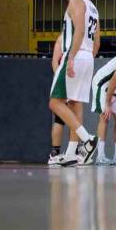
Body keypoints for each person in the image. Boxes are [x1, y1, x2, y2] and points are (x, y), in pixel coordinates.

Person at [48, 0, 100, 167]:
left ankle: (87, 139)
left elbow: (78, 30)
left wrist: (71, 58)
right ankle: (71, 153)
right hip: (87, 56)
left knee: (55, 103)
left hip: (75, 54)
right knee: (75, 104)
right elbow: (97, 40)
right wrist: (88, 59)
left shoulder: (76, 2)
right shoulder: (93, 8)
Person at [47, 35, 68, 165]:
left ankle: (73, 152)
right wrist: (59, 80)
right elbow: (55, 61)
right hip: (64, 80)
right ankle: (55, 153)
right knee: (59, 118)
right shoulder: (62, 38)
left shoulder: (81, 37)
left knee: (75, 115)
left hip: (75, 80)